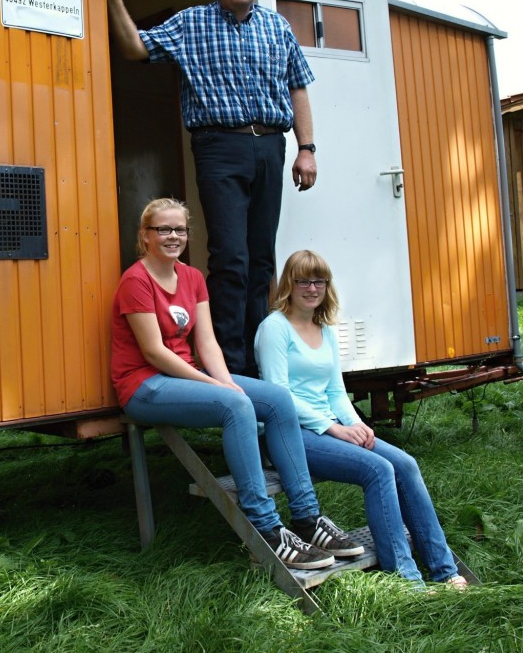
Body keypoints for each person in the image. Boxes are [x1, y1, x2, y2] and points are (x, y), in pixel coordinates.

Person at [97, 0, 317, 379]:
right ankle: (231, 365)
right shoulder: (192, 22)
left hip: (271, 145)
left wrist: (306, 148)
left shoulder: (277, 27)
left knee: (261, 260)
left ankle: (261, 360)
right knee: (231, 256)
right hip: (220, 145)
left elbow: (299, 87)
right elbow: (135, 47)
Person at [112, 199, 364, 569]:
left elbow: (208, 343)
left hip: (184, 377)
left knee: (277, 399)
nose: (173, 236)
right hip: (144, 385)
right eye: (163, 229)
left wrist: (227, 381)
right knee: (236, 405)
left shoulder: (193, 278)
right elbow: (154, 353)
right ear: (145, 236)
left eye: (180, 229)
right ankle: (266, 529)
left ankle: (308, 517)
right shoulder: (135, 280)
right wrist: (219, 389)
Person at [254, 249, 469, 589]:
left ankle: (444, 570)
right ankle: (407, 580)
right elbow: (279, 396)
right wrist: (335, 429)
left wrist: (357, 424)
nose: (312, 288)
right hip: (288, 435)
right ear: (288, 285)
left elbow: (336, 390)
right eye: (303, 281)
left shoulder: (323, 328)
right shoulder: (274, 329)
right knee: (378, 470)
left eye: (319, 281)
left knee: (406, 464)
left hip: (329, 427)